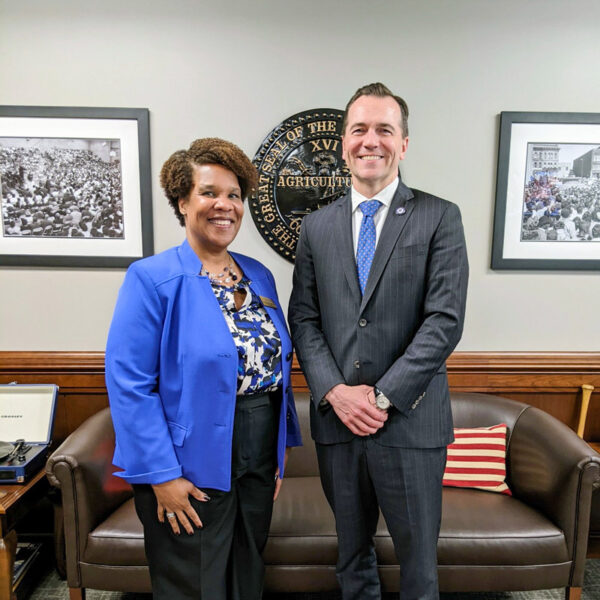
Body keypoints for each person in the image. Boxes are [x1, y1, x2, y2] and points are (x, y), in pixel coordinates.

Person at [288, 83, 468, 600]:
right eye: (359, 130)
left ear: (404, 143)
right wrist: (336, 392)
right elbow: (304, 319)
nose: (372, 141)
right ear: (343, 143)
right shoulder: (316, 227)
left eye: (384, 130)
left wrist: (382, 396)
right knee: (351, 556)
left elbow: (444, 320)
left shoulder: (440, 216)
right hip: (337, 424)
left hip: (410, 424)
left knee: (418, 567)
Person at [105, 137, 301, 600]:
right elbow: (130, 385)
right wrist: (162, 476)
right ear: (182, 201)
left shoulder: (259, 274)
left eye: (234, 195)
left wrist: (273, 456)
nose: (225, 206)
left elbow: (274, 367)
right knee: (194, 579)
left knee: (246, 566)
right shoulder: (151, 278)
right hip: (186, 457)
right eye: (210, 193)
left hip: (258, 445)